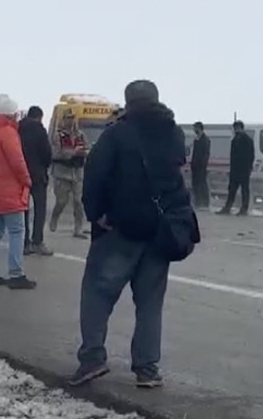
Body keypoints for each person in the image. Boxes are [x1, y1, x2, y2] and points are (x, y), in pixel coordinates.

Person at [71, 80, 190, 389]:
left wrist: (97, 215)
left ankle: (92, 359)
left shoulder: (116, 134)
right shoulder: (174, 133)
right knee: (150, 304)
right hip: (160, 232)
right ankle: (147, 369)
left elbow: (95, 177)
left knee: (97, 294)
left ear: (128, 101)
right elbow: (177, 180)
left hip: (120, 229)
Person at [0, 95, 36, 289]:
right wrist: (27, 180)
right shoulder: (8, 133)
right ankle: (16, 274)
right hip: (10, 190)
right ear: (11, 115)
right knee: (17, 232)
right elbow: (17, 162)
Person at [19, 106, 54, 256]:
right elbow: (47, 153)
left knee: (23, 208)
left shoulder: (18, 128)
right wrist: (44, 166)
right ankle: (37, 241)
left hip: (21, 173)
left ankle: (24, 243)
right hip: (38, 174)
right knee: (40, 209)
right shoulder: (40, 130)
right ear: (40, 116)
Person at [50, 110, 89, 239]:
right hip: (62, 173)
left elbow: (87, 148)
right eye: (68, 118)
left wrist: (84, 152)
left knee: (79, 202)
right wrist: (73, 152)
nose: (70, 121)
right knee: (62, 201)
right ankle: (55, 217)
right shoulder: (58, 136)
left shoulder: (81, 135)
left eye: (72, 118)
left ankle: (78, 228)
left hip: (77, 173)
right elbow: (55, 154)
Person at [219, 121, 255, 215]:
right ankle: (230, 207)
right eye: (234, 128)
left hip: (242, 169)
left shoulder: (245, 140)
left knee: (242, 190)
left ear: (241, 128)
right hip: (238, 169)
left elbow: (250, 156)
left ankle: (242, 209)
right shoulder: (237, 139)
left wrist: (248, 168)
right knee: (233, 189)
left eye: (236, 128)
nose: (235, 130)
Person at [189, 122, 211, 209]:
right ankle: (198, 201)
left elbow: (205, 154)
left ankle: (204, 202)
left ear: (200, 128)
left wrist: (202, 164)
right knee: (195, 184)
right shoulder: (196, 139)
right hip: (195, 166)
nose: (194, 130)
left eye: (196, 128)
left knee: (202, 184)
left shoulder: (205, 140)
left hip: (201, 166)